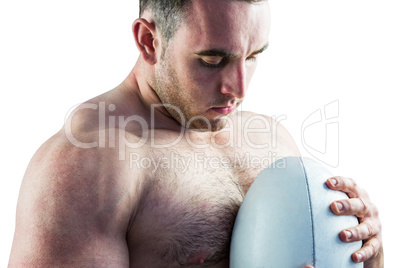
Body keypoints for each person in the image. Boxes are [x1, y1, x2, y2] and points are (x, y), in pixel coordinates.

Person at [9, 0, 383, 267]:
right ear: (148, 41)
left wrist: (366, 253)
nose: (238, 89)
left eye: (252, 57)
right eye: (212, 60)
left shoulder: (272, 139)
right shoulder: (87, 164)